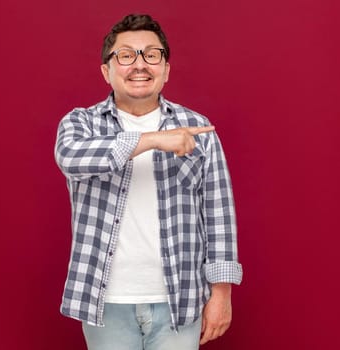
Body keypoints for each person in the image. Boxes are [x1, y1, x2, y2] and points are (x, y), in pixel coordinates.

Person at [54, 14, 242, 350]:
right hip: (105, 301)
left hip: (180, 300)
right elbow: (71, 157)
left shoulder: (196, 127)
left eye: (151, 55)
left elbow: (218, 215)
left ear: (166, 69)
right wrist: (155, 140)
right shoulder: (80, 124)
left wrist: (222, 293)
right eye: (125, 56)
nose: (139, 65)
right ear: (106, 71)